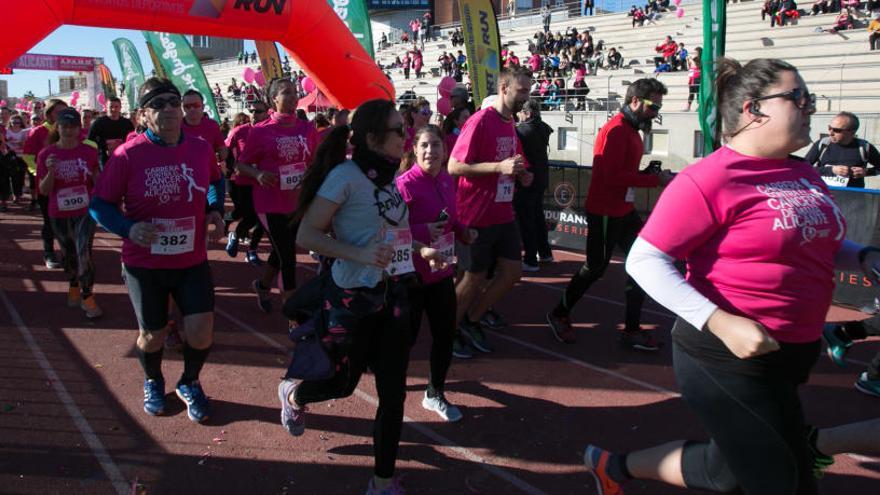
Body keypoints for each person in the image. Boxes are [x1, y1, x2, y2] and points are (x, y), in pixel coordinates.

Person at [583, 57, 873, 495]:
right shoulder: (710, 178)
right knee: (784, 481)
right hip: (724, 354)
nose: (810, 106)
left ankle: (613, 467)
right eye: (799, 97)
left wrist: (865, 256)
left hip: (790, 351)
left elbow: (817, 242)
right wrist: (720, 321)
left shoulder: (802, 170)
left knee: (725, 471)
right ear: (754, 109)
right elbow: (645, 259)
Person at [287, 99, 447, 494]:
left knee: (392, 396)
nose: (406, 136)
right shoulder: (344, 177)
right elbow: (306, 236)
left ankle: (382, 482)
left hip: (392, 296)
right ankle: (294, 394)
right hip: (351, 299)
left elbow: (390, 230)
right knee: (342, 384)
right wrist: (357, 253)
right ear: (374, 139)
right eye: (398, 130)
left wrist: (418, 251)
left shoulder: (390, 176)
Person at [89, 77, 225, 423]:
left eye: (173, 102)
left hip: (191, 260)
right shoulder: (127, 154)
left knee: (202, 330)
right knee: (153, 335)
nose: (168, 109)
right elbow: (100, 205)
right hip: (144, 264)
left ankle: (190, 381)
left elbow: (214, 181)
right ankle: (153, 379)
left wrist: (214, 209)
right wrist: (128, 228)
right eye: (158, 104)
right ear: (143, 114)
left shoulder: (199, 148)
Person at [546, 78, 672, 346]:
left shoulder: (630, 130)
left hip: (623, 210)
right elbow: (610, 177)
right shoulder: (615, 131)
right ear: (635, 101)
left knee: (644, 262)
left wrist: (646, 174)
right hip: (605, 211)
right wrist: (654, 180)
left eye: (658, 108)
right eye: (653, 106)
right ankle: (559, 314)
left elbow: (622, 174)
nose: (655, 113)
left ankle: (632, 329)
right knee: (594, 268)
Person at [448, 67, 535, 354]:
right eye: (522, 90)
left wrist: (522, 175)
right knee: (472, 277)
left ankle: (472, 320)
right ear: (504, 88)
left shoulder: (510, 123)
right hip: (475, 214)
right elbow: (454, 166)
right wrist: (499, 167)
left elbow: (512, 162)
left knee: (512, 272)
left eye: (528, 90)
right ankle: (448, 331)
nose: (527, 95)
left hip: (503, 212)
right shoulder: (480, 121)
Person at [397, 125, 478, 422]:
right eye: (425, 146)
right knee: (407, 337)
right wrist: (421, 232)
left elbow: (451, 219)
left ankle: (435, 393)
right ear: (415, 151)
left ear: (445, 151)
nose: (431, 151)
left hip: (441, 272)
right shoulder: (405, 185)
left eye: (436, 146)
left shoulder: (446, 180)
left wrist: (463, 232)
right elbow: (390, 231)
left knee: (445, 334)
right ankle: (392, 383)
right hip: (411, 276)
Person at [236, 78, 318, 312]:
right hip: (269, 202)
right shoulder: (261, 131)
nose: (292, 97)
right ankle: (293, 315)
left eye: (294, 92)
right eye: (286, 93)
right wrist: (259, 174)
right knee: (288, 257)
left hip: (296, 201)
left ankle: (262, 285)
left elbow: (313, 162)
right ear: (274, 99)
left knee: (282, 249)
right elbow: (242, 165)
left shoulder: (307, 128)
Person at [36, 108, 102, 318]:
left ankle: (87, 295)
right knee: (69, 254)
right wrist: (51, 172)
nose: (69, 130)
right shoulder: (47, 154)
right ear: (58, 127)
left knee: (84, 253)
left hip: (84, 211)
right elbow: (44, 190)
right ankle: (73, 283)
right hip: (59, 212)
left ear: (79, 128)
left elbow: (97, 180)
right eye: (64, 126)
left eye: (73, 126)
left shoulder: (89, 151)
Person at [24, 99, 68, 269]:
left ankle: (67, 252)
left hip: (66, 184)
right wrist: (38, 173)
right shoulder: (37, 132)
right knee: (49, 222)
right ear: (50, 114)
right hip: (46, 186)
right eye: (59, 112)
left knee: (67, 222)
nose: (63, 115)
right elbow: (27, 157)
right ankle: (49, 253)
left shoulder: (69, 130)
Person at [224, 104, 269, 266]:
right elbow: (225, 151)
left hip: (266, 182)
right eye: (252, 111)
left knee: (263, 220)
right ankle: (235, 235)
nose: (254, 114)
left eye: (258, 111)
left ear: (267, 112)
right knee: (249, 217)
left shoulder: (272, 129)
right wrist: (232, 169)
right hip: (243, 182)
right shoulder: (239, 131)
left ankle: (252, 251)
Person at [514, 99, 554, 272]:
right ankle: (544, 252)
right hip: (541, 178)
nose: (519, 115)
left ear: (528, 113)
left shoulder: (522, 130)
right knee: (538, 216)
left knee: (527, 220)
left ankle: (530, 259)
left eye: (521, 112)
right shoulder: (543, 128)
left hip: (527, 179)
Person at [804, 111, 880, 188]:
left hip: (853, 197)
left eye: (836, 130)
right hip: (824, 194)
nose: (830, 133)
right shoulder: (823, 144)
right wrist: (831, 170)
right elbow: (804, 168)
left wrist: (866, 172)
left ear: (852, 132)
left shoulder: (864, 147)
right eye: (829, 128)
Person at [88, 96, 135, 168]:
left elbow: (133, 139)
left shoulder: (127, 123)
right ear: (106, 107)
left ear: (120, 107)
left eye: (116, 107)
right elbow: (90, 141)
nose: (114, 109)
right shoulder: (98, 123)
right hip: (105, 159)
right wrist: (104, 146)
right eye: (111, 107)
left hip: (124, 157)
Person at [0, 129, 27, 211]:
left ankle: (6, 200)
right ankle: (3, 202)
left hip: (7, 165)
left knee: (7, 181)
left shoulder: (9, 149)